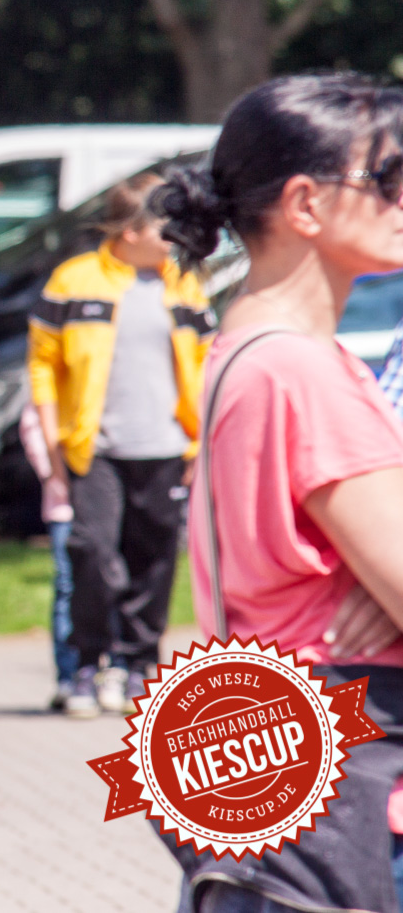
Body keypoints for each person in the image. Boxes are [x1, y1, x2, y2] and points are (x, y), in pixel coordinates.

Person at [154, 72, 403, 913]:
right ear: (304, 203)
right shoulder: (304, 372)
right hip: (359, 812)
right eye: (388, 176)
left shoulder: (248, 350)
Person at [27, 174, 213, 720]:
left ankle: (137, 666)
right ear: (132, 230)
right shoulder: (74, 280)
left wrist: (200, 443)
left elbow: (207, 365)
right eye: (166, 225)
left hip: (167, 447)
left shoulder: (185, 284)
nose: (176, 236)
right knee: (92, 554)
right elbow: (42, 365)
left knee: (153, 562)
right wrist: (52, 441)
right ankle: (87, 663)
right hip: (96, 449)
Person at [18, 401, 77, 710]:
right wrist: (53, 470)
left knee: (112, 582)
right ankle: (68, 676)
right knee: (67, 586)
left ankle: (113, 668)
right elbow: (33, 420)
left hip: (111, 498)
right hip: (63, 503)